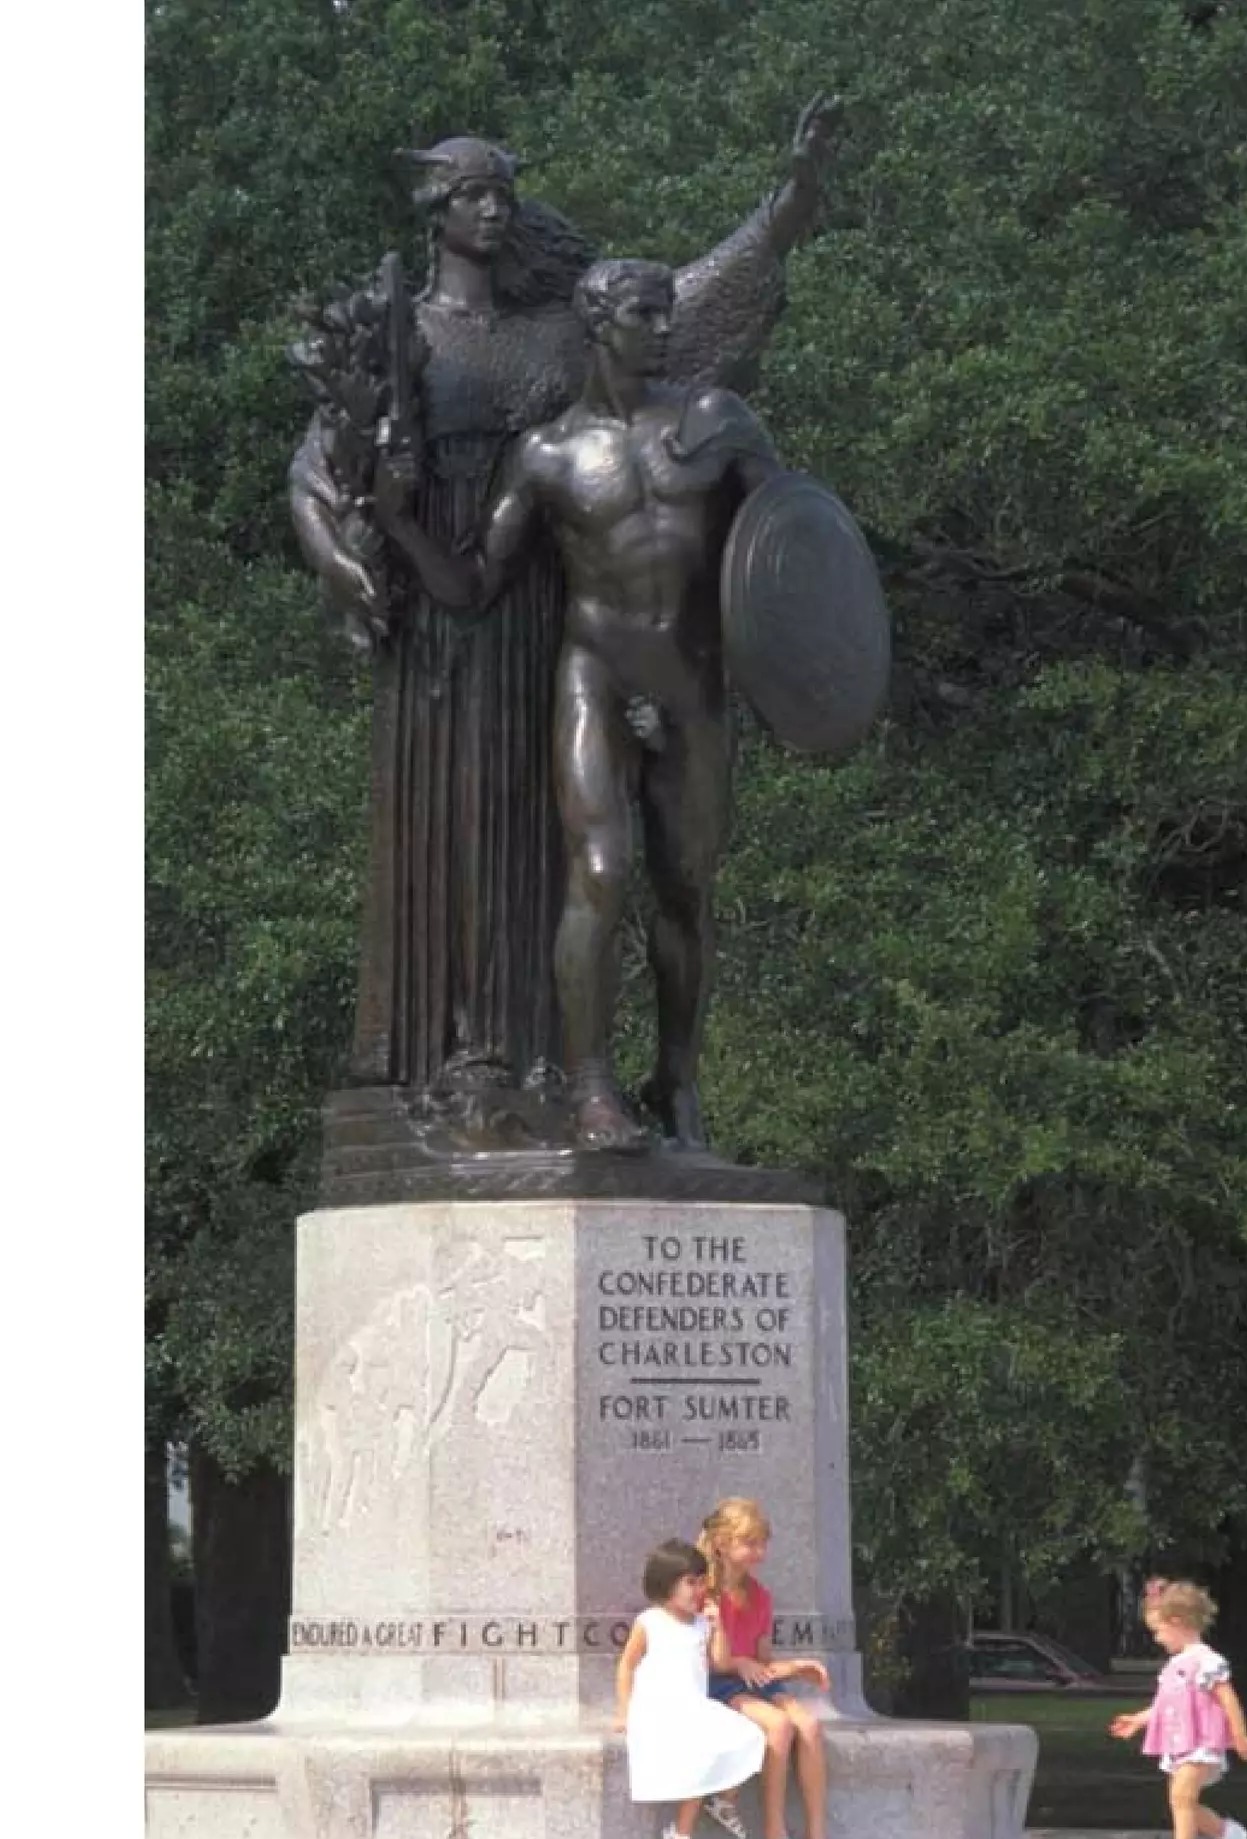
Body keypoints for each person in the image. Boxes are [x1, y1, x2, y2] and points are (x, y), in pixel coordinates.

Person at [289, 101, 841, 1149]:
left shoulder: (569, 341)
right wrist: (359, 543)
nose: (494, 211)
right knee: (553, 854)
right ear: (434, 212)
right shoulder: (404, 330)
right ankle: (504, 1069)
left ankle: (634, 1081)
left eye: (504, 192)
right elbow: (324, 467)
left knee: (661, 878)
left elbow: (703, 307)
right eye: (471, 195)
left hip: (573, 627)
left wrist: (785, 208)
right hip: (467, 632)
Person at [374, 257, 782, 1153]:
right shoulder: (548, 452)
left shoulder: (716, 423)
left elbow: (787, 545)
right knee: (598, 873)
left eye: (668, 311)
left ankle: (675, 1081)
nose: (665, 329)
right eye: (645, 312)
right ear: (599, 323)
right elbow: (477, 582)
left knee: (686, 892)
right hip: (595, 673)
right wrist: (399, 521)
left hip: (692, 687)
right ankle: (594, 1090)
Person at [697, 1497, 837, 1839]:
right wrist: (737, 1660)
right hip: (719, 1684)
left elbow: (761, 1659)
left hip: (751, 1680)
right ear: (723, 1544)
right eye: (751, 1543)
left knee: (809, 1725)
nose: (761, 1552)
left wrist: (794, 1667)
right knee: (779, 1726)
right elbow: (713, 1661)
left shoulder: (760, 1596)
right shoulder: (703, 1594)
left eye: (763, 1543)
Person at [614, 1538, 768, 1839]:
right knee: (700, 1751)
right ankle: (681, 1835)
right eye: (690, 1582)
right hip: (659, 1707)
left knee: (750, 1736)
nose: (698, 1590)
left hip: (695, 1704)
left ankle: (723, 1799)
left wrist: (718, 1625)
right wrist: (624, 1710)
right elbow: (627, 1665)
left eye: (701, 1582)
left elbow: (720, 1661)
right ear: (667, 1584)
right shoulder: (650, 1622)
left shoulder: (701, 1624)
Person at [1109, 1578, 1247, 1839]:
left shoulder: (1206, 1661)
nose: (1157, 1639)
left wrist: (1241, 1736)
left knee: (1181, 1795)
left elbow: (1228, 1698)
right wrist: (1139, 1720)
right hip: (1180, 1743)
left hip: (1202, 1742)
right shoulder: (1176, 1664)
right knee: (1182, 1799)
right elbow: (1167, 1705)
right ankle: (1228, 1836)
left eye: (1158, 1630)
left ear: (1176, 1622)